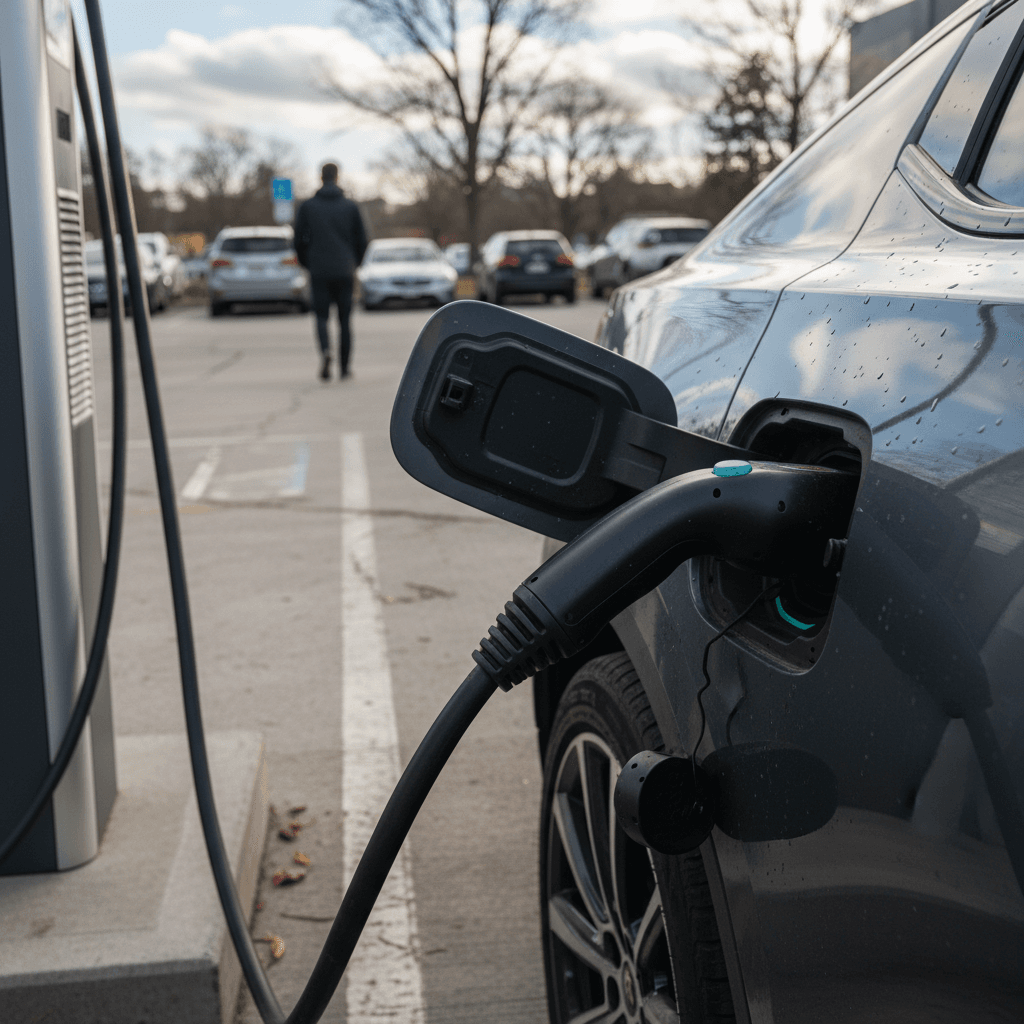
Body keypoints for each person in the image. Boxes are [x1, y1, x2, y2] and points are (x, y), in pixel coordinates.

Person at [293, 163, 368, 380]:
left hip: (319, 270)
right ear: (337, 176)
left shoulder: (307, 207)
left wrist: (308, 263)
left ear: (320, 177)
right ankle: (344, 368)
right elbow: (362, 240)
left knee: (321, 317)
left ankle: (326, 352)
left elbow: (298, 241)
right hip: (345, 269)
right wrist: (354, 263)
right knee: (345, 321)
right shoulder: (351, 207)